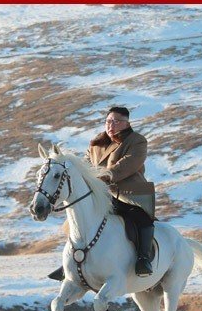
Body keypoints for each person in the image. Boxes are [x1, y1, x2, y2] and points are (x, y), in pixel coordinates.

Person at [47, 106, 156, 281]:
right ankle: (72, 262)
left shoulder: (137, 141)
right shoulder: (96, 144)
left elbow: (127, 165)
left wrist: (103, 177)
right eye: (108, 121)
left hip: (128, 194)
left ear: (126, 123)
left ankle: (143, 259)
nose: (110, 125)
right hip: (102, 194)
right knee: (75, 221)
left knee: (141, 219)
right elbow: (86, 165)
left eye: (116, 121)